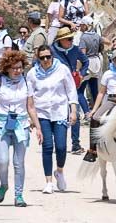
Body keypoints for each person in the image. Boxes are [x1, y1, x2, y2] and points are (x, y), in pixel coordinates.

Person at [0, 49, 40, 207]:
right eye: (14, 68)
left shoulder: (27, 83)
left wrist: (38, 128)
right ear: (7, 68)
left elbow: (31, 107)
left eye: (20, 67)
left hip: (21, 124)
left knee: (19, 163)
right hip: (1, 124)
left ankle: (19, 195)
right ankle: (4, 184)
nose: (18, 71)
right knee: (3, 160)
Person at [27, 44, 79, 194]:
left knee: (61, 146)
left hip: (60, 111)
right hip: (42, 113)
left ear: (52, 56)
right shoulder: (32, 74)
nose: (45, 60)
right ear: (38, 58)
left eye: (47, 57)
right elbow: (29, 97)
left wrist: (73, 110)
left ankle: (60, 171)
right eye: (42, 57)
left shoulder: (62, 69)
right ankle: (48, 181)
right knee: (47, 146)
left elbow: (71, 90)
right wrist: (30, 117)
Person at [52, 27, 90, 154]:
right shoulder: (51, 50)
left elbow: (85, 61)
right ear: (61, 40)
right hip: (56, 87)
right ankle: (56, 142)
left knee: (75, 114)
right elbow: (38, 63)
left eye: (72, 38)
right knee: (56, 114)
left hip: (72, 86)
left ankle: (76, 144)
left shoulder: (75, 50)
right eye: (69, 39)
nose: (71, 41)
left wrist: (82, 74)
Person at [88, 48, 116, 161]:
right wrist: (94, 109)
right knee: (96, 118)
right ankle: (93, 149)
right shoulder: (108, 74)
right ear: (113, 60)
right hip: (112, 100)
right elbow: (101, 93)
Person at [78, 15, 104, 113]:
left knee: (79, 91)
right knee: (94, 89)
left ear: (85, 25)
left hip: (88, 64)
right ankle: (97, 110)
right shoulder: (96, 36)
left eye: (82, 25)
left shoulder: (83, 37)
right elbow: (102, 46)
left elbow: (83, 54)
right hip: (96, 62)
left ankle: (86, 112)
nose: (80, 27)